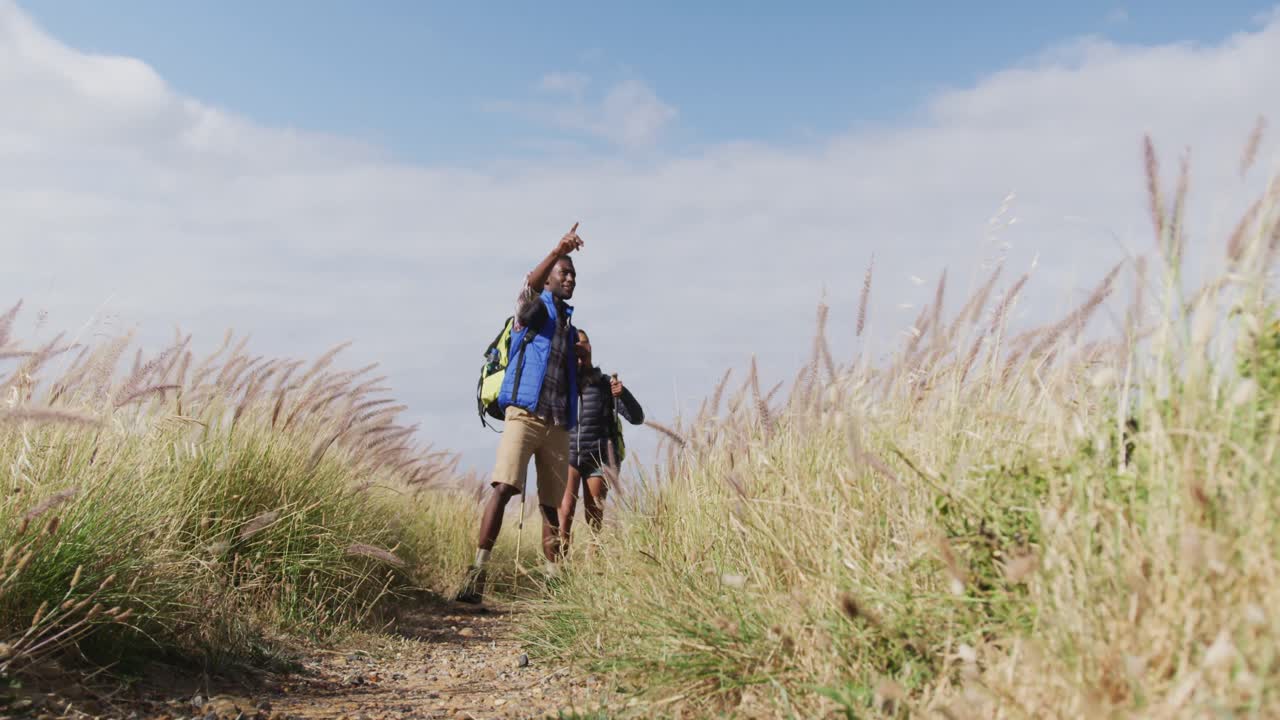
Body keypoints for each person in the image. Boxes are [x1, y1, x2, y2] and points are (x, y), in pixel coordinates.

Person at [455, 224, 583, 604]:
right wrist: (557, 248)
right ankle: (476, 573)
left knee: (550, 506)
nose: (570, 278)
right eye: (564, 272)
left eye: (574, 274)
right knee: (504, 487)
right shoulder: (535, 309)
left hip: (557, 424)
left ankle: (553, 585)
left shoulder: (568, 324)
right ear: (550, 278)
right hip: (524, 416)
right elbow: (528, 287)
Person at [558, 328, 644, 552]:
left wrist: (622, 394)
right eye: (576, 345)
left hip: (598, 457)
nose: (581, 349)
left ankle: (591, 568)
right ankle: (559, 565)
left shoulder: (606, 384)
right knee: (565, 511)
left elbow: (637, 417)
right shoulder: (560, 384)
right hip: (568, 455)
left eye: (585, 344)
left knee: (594, 515)